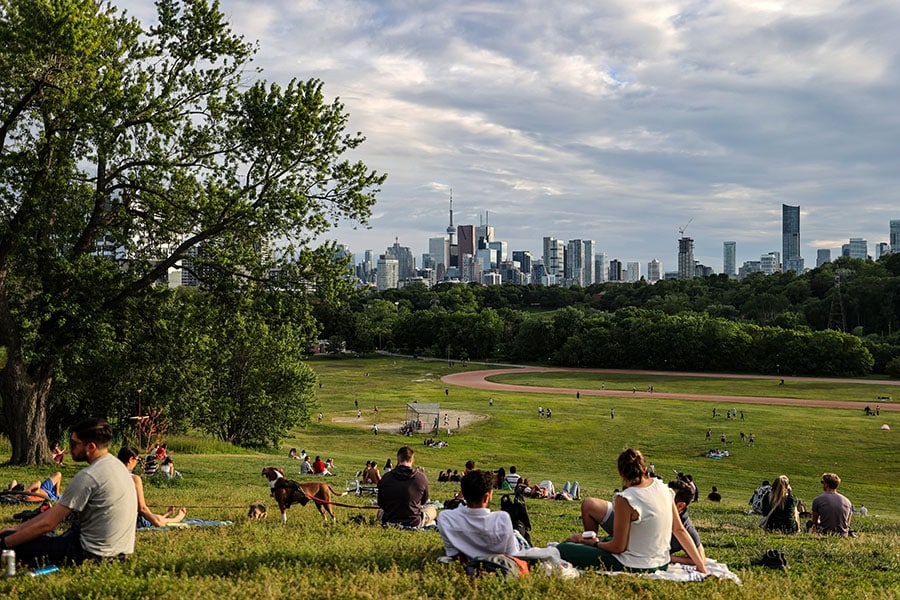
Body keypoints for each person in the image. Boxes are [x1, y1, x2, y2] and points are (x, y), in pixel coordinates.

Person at [0, 418, 137, 566]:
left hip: (88, 554)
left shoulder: (89, 476)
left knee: (16, 540)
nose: (69, 447)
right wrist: (16, 528)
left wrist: (6, 542)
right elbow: (53, 514)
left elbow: (47, 524)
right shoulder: (118, 467)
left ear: (91, 447)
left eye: (73, 444)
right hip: (118, 554)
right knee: (29, 534)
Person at [558, 449, 707, 572]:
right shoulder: (663, 488)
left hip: (635, 565)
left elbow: (618, 547)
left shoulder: (626, 499)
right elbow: (680, 530)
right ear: (644, 469)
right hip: (662, 562)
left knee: (563, 548)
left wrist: (595, 545)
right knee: (579, 540)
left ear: (620, 472)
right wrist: (701, 566)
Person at [437, 470, 522, 561]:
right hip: (513, 545)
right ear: (486, 497)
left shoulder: (445, 518)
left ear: (464, 494)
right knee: (519, 527)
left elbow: (453, 553)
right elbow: (512, 555)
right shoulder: (502, 519)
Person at [117, 447, 187, 528]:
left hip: (111, 518)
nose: (137, 463)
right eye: (137, 460)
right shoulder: (134, 479)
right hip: (130, 521)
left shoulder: (109, 476)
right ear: (131, 459)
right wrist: (158, 523)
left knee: (154, 517)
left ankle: (166, 516)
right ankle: (176, 519)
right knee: (155, 518)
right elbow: (142, 509)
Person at [377, 446, 437, 528]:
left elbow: (381, 502)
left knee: (380, 511)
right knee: (432, 509)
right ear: (412, 460)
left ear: (398, 460)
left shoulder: (386, 477)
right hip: (413, 521)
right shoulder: (421, 478)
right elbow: (423, 501)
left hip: (389, 519)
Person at [808, 472, 852, 536]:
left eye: (823, 482)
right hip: (843, 534)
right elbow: (847, 524)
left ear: (826, 484)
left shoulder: (818, 500)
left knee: (809, 524)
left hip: (825, 533)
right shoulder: (847, 502)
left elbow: (814, 521)